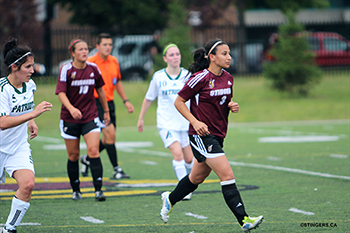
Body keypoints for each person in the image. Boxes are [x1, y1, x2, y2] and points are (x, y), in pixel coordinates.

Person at [159, 39, 264, 232]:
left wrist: (232, 105)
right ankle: (244, 220)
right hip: (201, 135)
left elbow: (223, 100)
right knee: (227, 175)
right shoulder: (199, 78)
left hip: (218, 134)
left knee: (195, 178)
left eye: (229, 53)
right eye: (224, 54)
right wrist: (195, 122)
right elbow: (179, 101)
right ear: (211, 57)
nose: (229, 57)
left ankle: (170, 199)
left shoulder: (229, 78)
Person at [0, 38, 52, 233]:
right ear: (15, 67)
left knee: (28, 184)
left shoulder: (29, 85)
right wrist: (33, 115)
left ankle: (9, 228)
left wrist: (31, 122)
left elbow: (27, 106)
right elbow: (3, 123)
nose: (33, 70)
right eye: (28, 66)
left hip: (17, 147)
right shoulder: (2, 89)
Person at [55, 39, 110, 201]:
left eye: (86, 49)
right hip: (69, 119)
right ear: (73, 53)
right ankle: (76, 189)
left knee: (93, 151)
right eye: (81, 49)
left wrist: (106, 111)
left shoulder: (93, 68)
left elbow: (100, 89)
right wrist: (72, 109)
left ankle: (98, 190)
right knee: (73, 155)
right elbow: (61, 93)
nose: (85, 52)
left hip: (90, 116)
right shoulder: (66, 69)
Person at [137, 43, 194, 200]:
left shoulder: (187, 75)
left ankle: (189, 183)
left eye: (177, 54)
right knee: (177, 154)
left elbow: (196, 97)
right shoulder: (158, 77)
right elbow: (149, 98)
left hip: (185, 124)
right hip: (166, 124)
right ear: (165, 58)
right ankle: (185, 191)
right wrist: (141, 118)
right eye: (171, 55)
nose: (175, 57)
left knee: (189, 159)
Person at [80, 33, 133, 180]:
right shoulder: (90, 62)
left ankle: (87, 159)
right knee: (110, 135)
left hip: (109, 103)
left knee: (108, 139)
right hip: (95, 103)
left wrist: (126, 100)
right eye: (104, 44)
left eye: (110, 44)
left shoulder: (114, 61)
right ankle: (117, 169)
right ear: (97, 46)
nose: (108, 47)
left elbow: (118, 82)